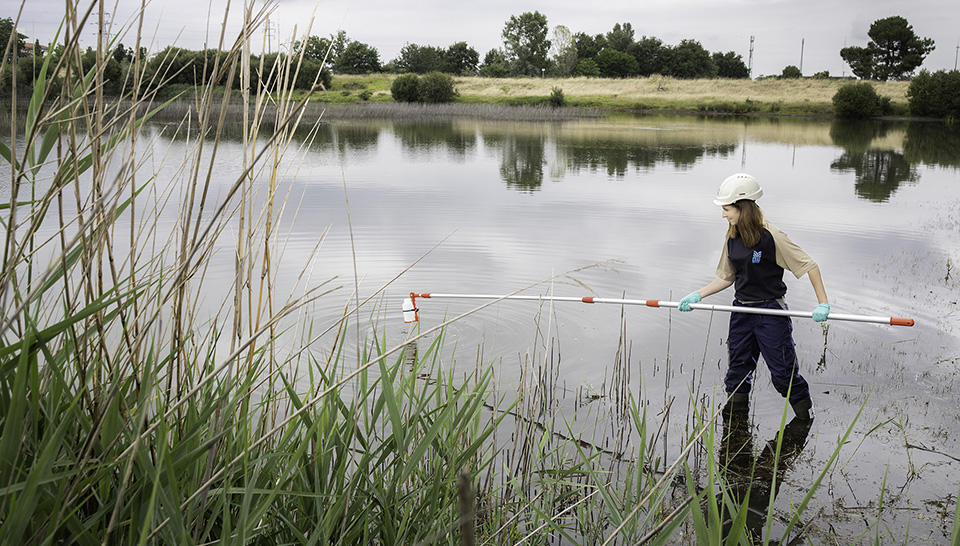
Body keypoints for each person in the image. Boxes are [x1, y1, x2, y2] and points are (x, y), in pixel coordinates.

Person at [677, 173, 828, 420]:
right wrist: (698, 295)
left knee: (783, 375)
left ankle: (805, 419)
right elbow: (727, 277)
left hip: (770, 313)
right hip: (742, 312)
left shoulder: (772, 236)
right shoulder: (732, 235)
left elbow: (809, 266)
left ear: (742, 207)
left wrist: (823, 303)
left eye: (727, 209)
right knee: (737, 373)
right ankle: (735, 426)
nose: (723, 215)